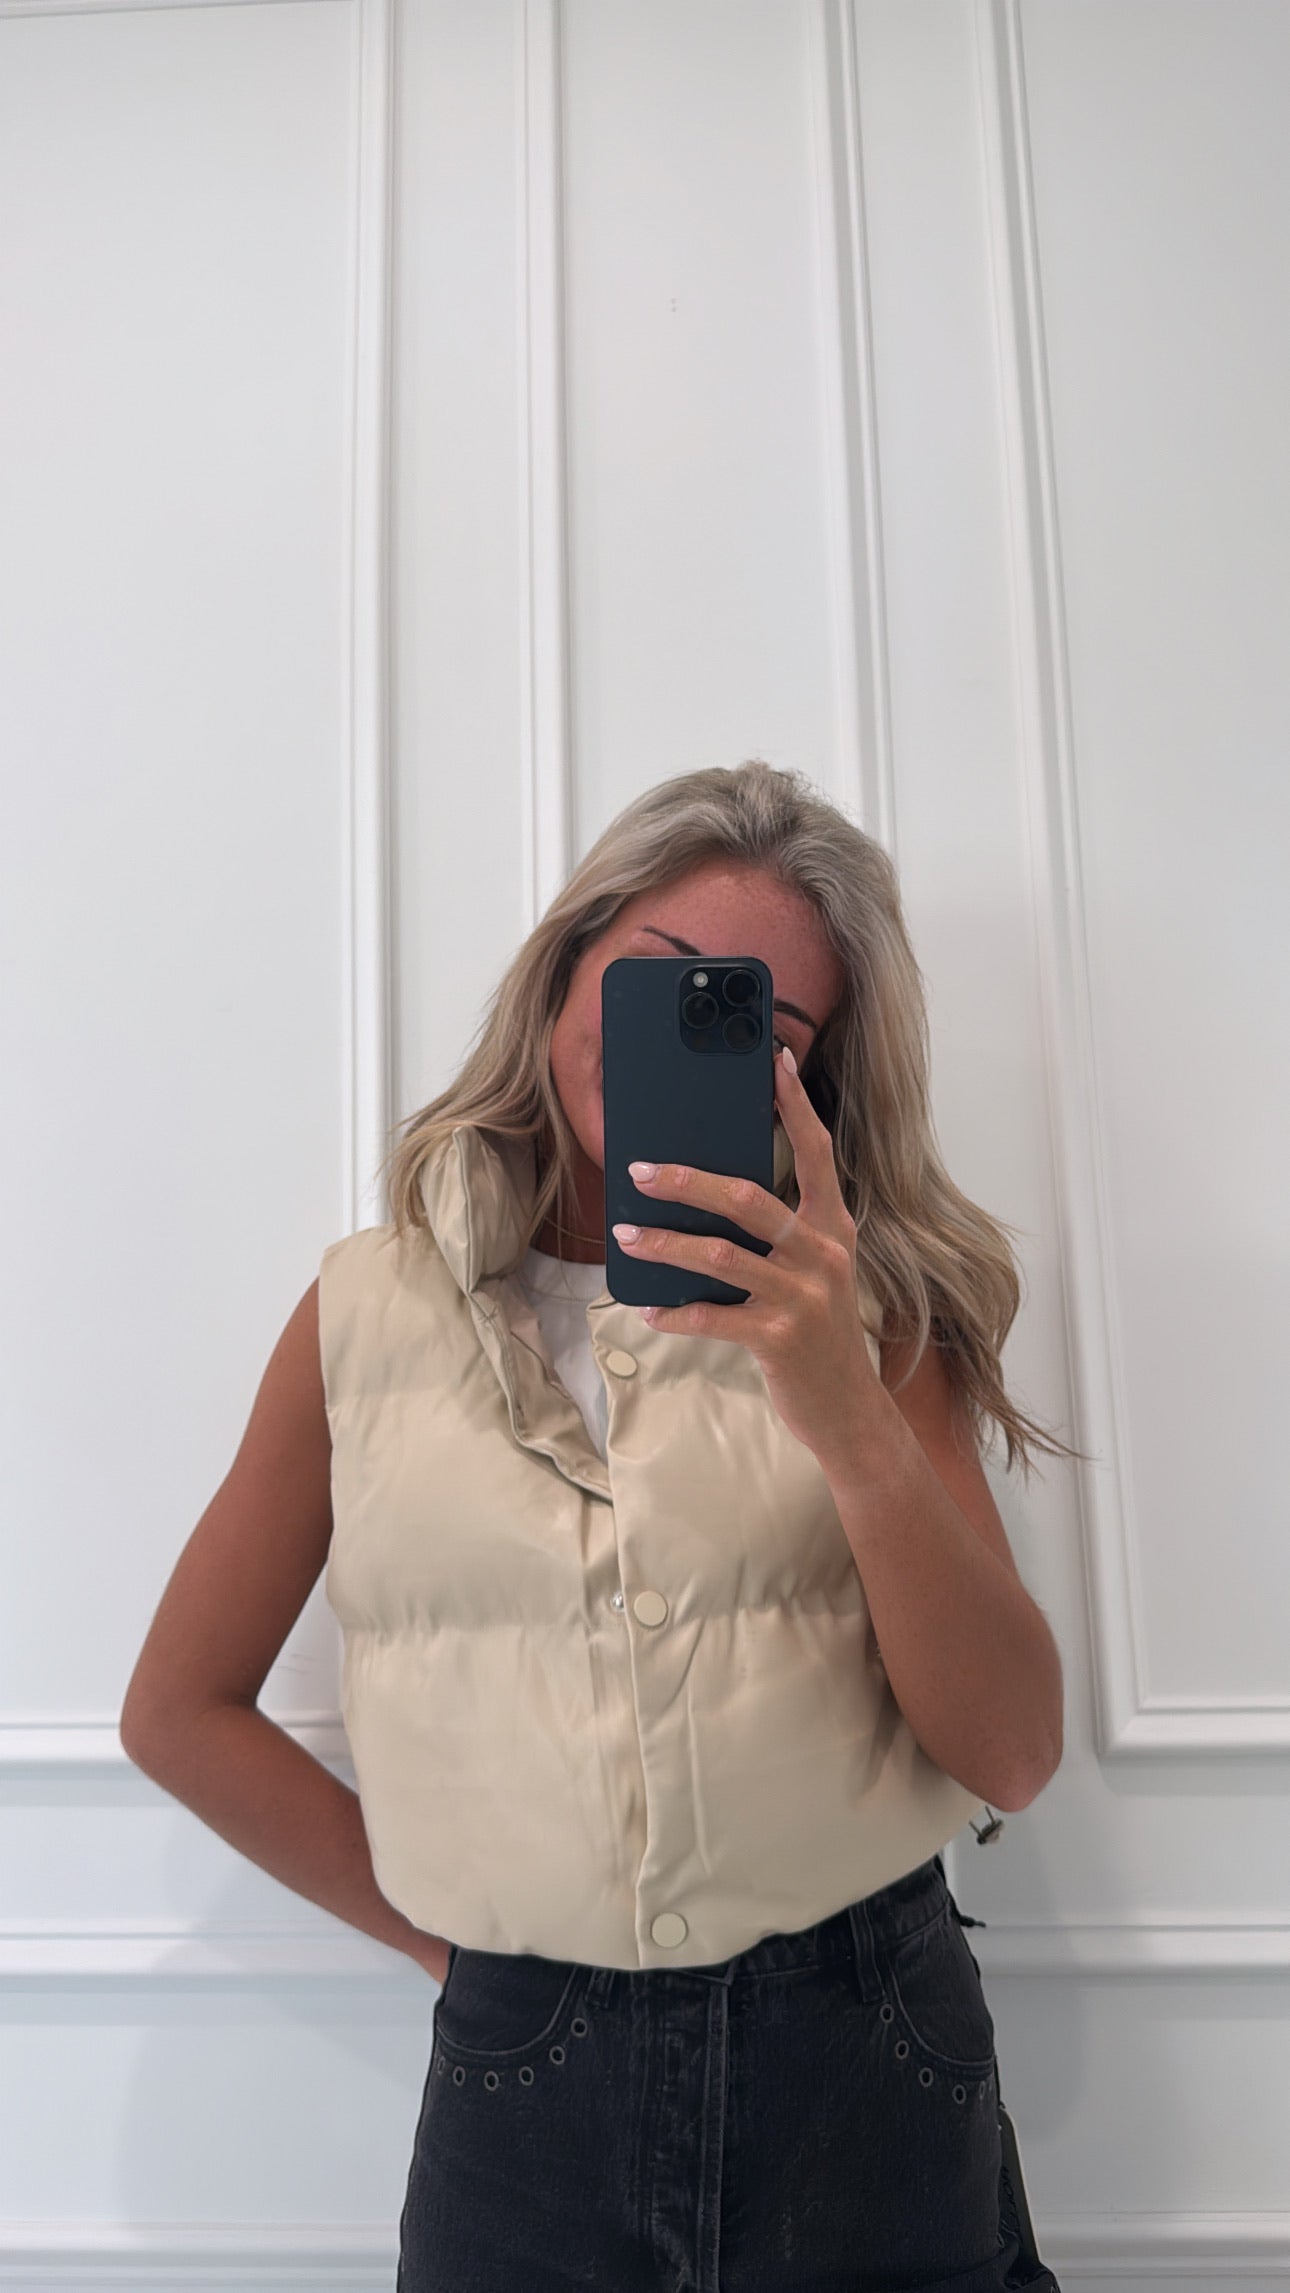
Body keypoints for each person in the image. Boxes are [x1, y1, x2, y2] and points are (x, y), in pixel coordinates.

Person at [122, 760, 1079, 2289]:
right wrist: (466, 1948)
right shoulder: (363, 1312)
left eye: (756, 1025)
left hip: (862, 2048)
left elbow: (1012, 1753)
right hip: (523, 2086)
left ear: (810, 1079)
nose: (686, 1040)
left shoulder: (872, 1312)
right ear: (568, 962)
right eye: (658, 978)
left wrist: (840, 1406)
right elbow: (178, 1710)